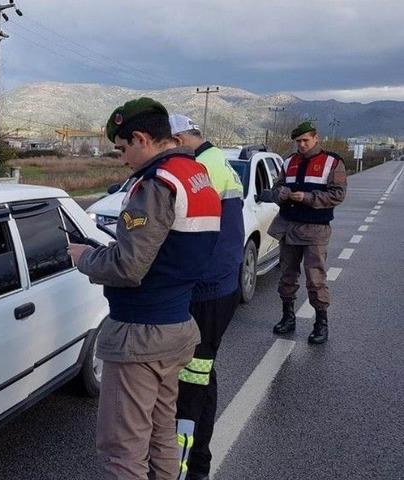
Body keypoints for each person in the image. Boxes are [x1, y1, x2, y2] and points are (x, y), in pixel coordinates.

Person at [67, 98, 221, 480]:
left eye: (122, 149)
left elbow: (129, 266)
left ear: (141, 138)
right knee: (161, 433)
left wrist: (85, 257)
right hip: (177, 325)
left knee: (123, 450)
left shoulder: (156, 184)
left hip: (141, 334)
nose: (122, 160)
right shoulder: (196, 175)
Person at [170, 114, 245, 480]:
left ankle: (187, 467)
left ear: (179, 139)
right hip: (221, 284)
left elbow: (186, 232)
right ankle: (198, 463)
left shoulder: (200, 168)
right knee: (202, 372)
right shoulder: (217, 161)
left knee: (192, 382)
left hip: (206, 288)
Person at [260, 121, 347, 344]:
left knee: (315, 279)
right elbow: (276, 188)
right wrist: (281, 194)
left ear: (316, 138)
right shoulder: (289, 161)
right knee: (287, 275)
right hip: (289, 226)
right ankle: (288, 317)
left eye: (305, 140)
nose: (301, 145)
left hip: (315, 229)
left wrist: (307, 198)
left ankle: (321, 323)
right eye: (298, 141)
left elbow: (338, 195)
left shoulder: (332, 162)